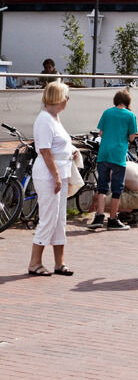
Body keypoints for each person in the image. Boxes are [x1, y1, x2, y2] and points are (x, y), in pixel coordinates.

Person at [28, 82, 75, 276]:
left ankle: (59, 262)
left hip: (60, 172)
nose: (67, 100)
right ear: (57, 98)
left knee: (59, 219)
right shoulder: (45, 120)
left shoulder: (55, 118)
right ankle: (34, 262)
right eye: (66, 96)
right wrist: (56, 176)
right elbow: (46, 151)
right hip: (49, 174)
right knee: (48, 217)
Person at [88, 90, 138, 231]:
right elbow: (132, 137)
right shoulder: (130, 116)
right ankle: (112, 219)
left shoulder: (107, 112)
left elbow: (101, 133)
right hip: (118, 155)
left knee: (102, 187)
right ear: (128, 102)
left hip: (103, 154)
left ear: (116, 100)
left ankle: (98, 217)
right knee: (117, 189)